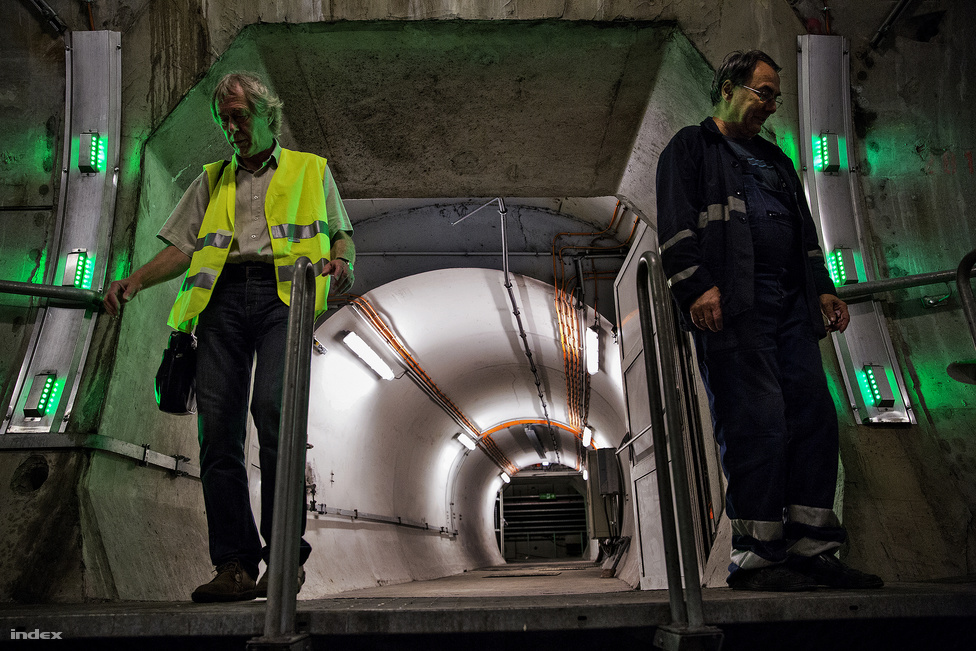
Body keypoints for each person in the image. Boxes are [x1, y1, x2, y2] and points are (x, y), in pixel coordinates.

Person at [104, 72, 355, 602]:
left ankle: (284, 557)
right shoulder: (213, 179)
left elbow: (341, 232)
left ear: (268, 115)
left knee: (275, 416)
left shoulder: (312, 171)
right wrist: (135, 281)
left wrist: (343, 264)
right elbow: (181, 247)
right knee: (218, 434)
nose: (233, 128)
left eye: (240, 116)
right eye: (225, 120)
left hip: (283, 301)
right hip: (219, 305)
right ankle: (234, 565)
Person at [656, 51, 882, 591]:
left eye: (776, 96)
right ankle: (758, 555)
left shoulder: (776, 160)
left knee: (812, 418)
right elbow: (676, 227)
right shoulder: (691, 147)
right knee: (758, 422)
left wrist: (823, 288)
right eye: (764, 92)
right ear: (728, 88)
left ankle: (812, 549)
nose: (772, 105)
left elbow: (805, 234)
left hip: (789, 310)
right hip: (733, 309)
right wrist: (696, 287)